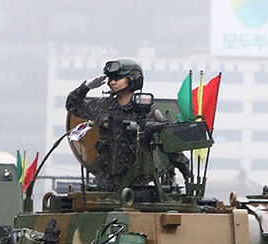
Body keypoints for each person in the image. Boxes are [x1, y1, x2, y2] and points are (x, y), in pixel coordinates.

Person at [66, 57, 192, 191]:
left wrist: (187, 174)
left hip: (137, 186)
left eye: (117, 78)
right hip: (105, 184)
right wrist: (86, 86)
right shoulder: (103, 106)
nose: (112, 83)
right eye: (111, 79)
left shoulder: (147, 112)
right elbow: (72, 105)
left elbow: (170, 146)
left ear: (133, 79)